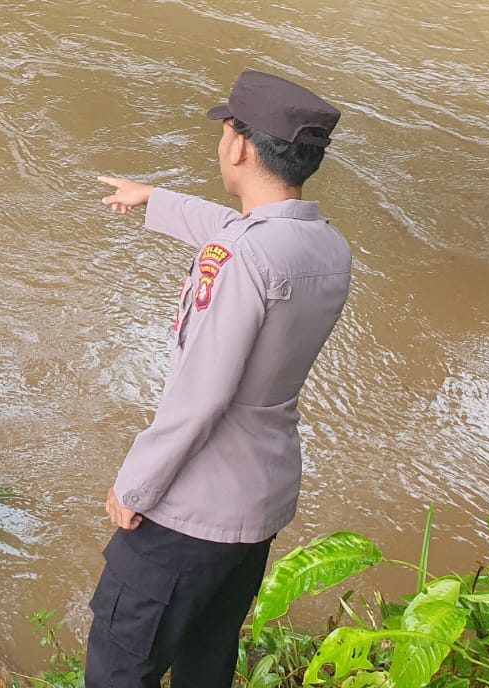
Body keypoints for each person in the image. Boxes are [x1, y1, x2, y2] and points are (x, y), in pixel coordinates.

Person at [86, 69, 352, 688]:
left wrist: (135, 486)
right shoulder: (325, 246)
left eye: (226, 129)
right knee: (207, 659)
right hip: (257, 505)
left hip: (189, 513)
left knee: (120, 663)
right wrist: (153, 197)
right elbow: (242, 234)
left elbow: (201, 396)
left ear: (239, 146)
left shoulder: (239, 260)